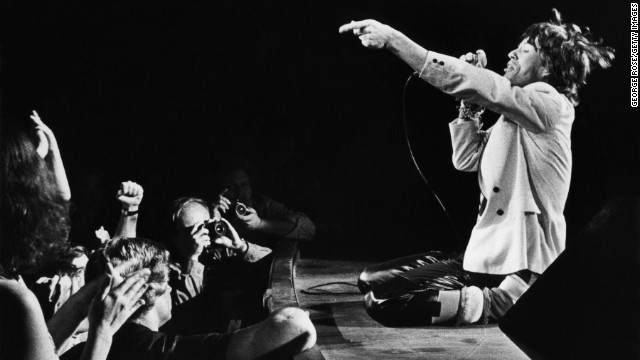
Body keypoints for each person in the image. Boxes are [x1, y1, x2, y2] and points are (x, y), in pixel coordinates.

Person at [339, 9, 614, 325]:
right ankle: (471, 284)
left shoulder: (551, 102)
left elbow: (490, 89)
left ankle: (495, 302)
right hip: (484, 256)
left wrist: (395, 41)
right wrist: (469, 106)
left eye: (524, 50)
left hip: (522, 260)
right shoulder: (517, 115)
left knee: (383, 304)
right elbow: (467, 160)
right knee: (371, 279)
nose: (511, 53)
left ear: (548, 66)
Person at [0, 112, 151, 360]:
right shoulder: (17, 300)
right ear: (20, 202)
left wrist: (82, 303)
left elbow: (41, 346)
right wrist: (102, 330)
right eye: (36, 178)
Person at [73, 237, 316, 360]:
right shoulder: (165, 351)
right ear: (154, 291)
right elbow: (295, 329)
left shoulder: (79, 353)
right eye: (169, 283)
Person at [212, 159, 316, 247]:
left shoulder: (262, 204)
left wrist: (260, 224)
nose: (240, 192)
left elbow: (308, 229)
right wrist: (212, 216)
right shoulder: (211, 208)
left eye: (244, 184)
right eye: (231, 187)